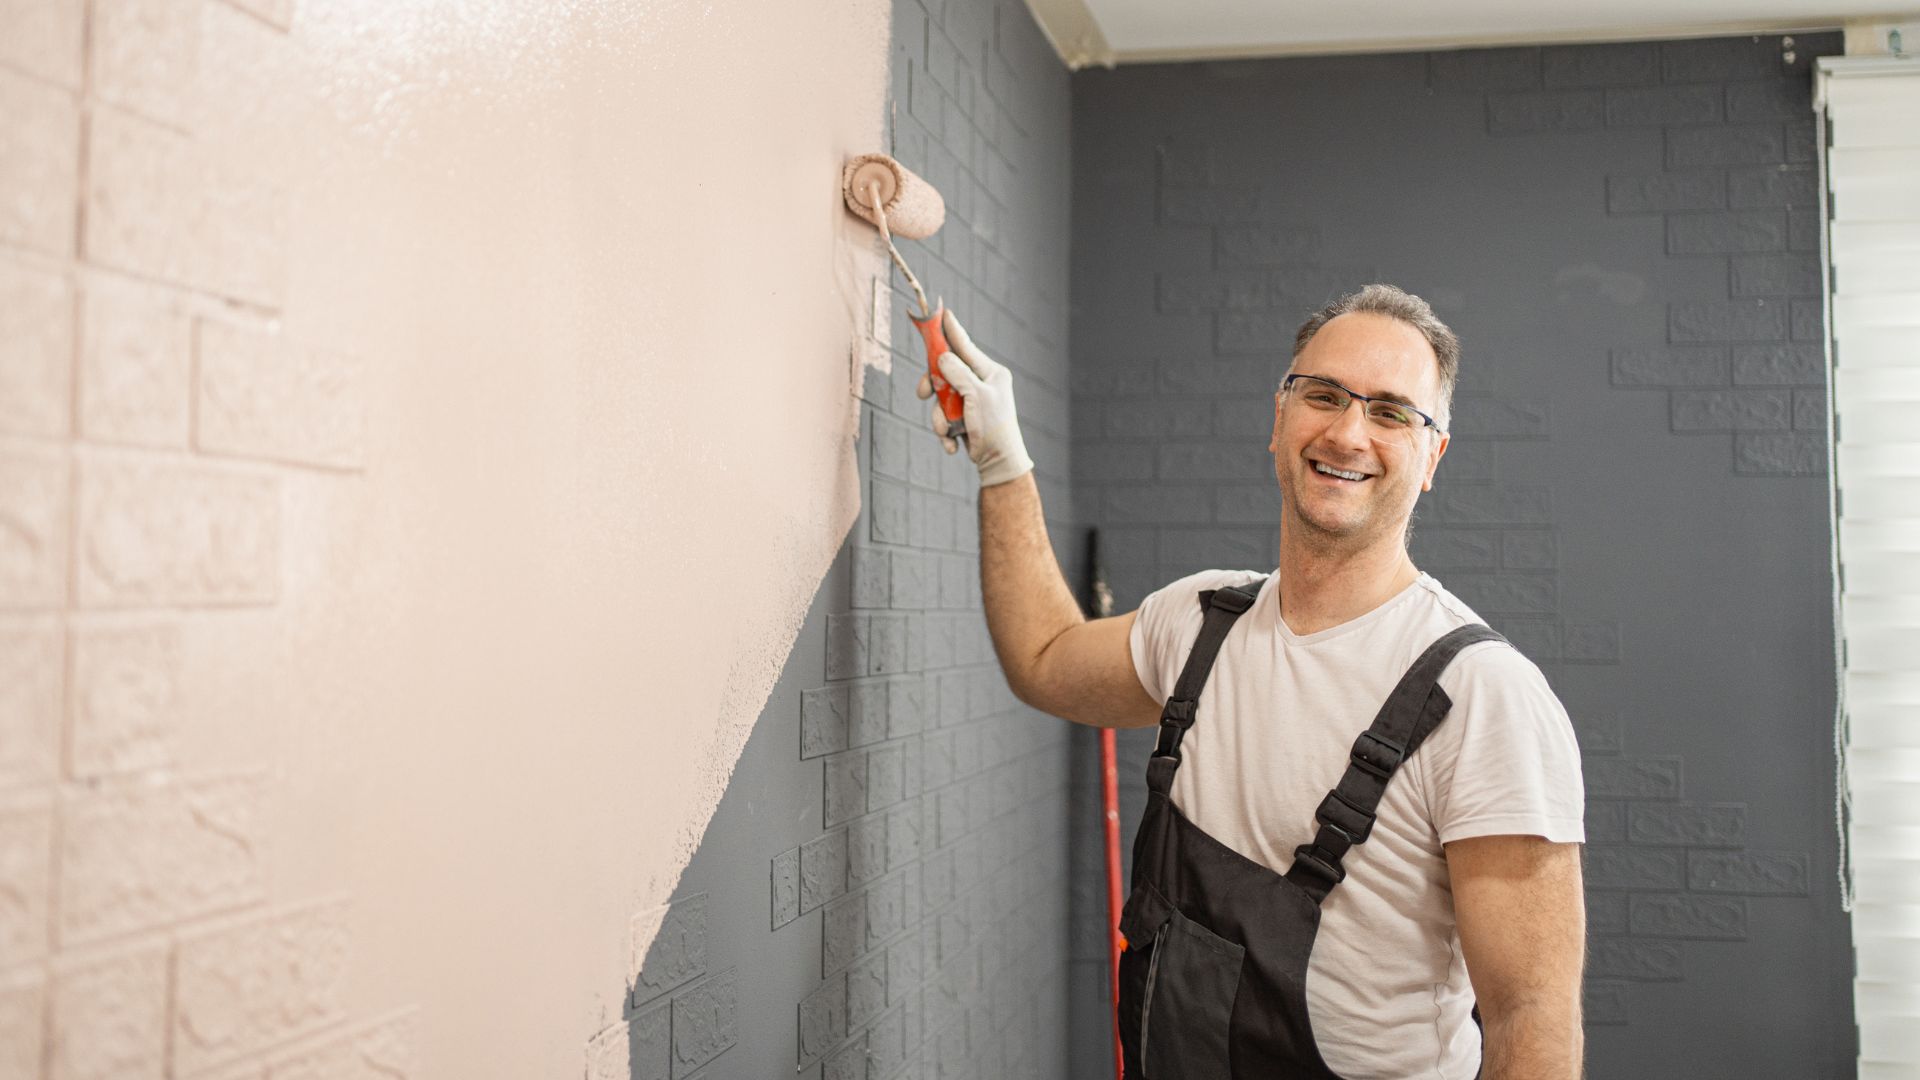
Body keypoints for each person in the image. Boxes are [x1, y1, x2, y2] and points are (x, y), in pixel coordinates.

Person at [917, 284, 1586, 1079]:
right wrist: (1003, 460)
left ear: (1433, 455)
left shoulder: (1483, 699)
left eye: (1391, 412)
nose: (1346, 431)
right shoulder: (1200, 623)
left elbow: (1531, 1023)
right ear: (1279, 421)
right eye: (1323, 395)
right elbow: (1045, 659)